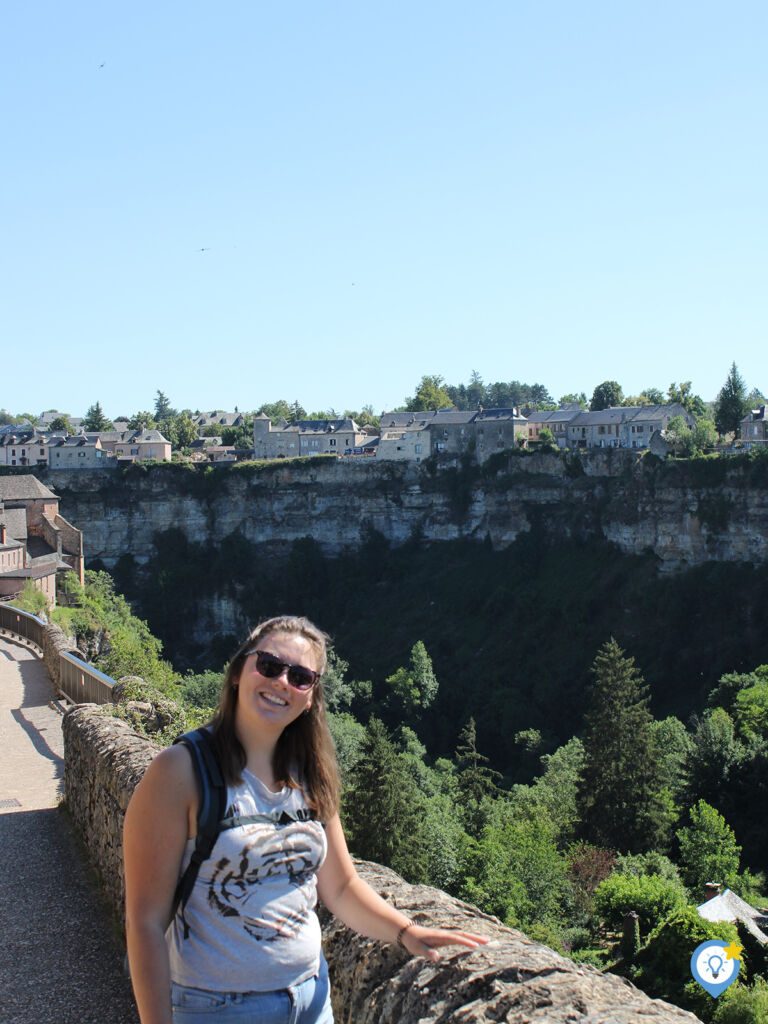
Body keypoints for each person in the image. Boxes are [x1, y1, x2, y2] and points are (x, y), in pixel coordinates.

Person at [124, 615, 488, 1023]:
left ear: (311, 696)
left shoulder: (309, 774)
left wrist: (406, 931)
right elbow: (145, 922)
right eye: (269, 665)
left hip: (311, 999)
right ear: (238, 672)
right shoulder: (180, 772)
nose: (282, 682)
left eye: (300, 677)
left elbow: (342, 887)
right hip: (218, 1008)